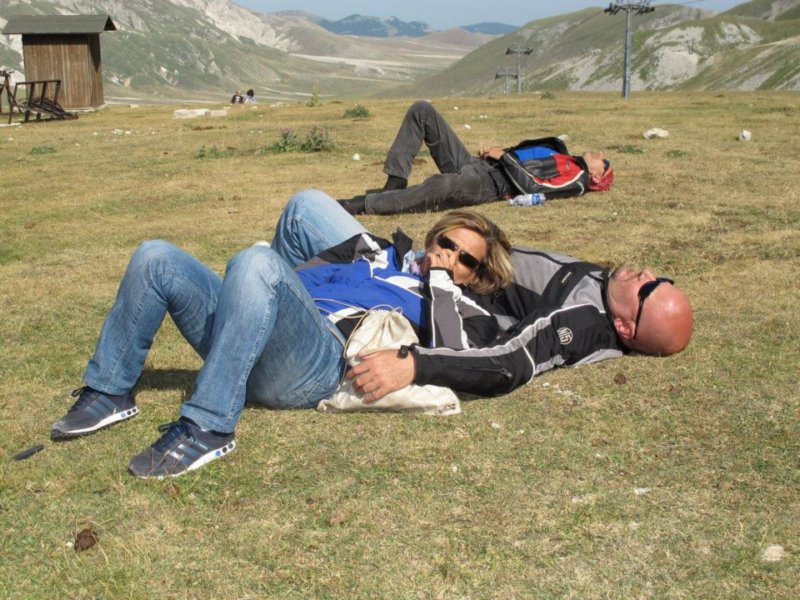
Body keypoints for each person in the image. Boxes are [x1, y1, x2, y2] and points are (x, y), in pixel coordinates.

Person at [49, 190, 513, 479]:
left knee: (258, 262)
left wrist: (440, 281)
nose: (450, 256)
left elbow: (456, 351)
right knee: (155, 256)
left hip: (316, 361)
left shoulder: (459, 305)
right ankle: (109, 389)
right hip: (261, 330)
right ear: (433, 238)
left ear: (476, 274)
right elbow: (302, 277)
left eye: (466, 259)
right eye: (447, 244)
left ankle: (208, 426)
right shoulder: (378, 258)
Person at [274, 192, 692, 402]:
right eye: (660, 278)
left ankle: (272, 324)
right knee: (304, 207)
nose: (647, 274)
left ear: (624, 327)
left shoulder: (581, 323)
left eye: (648, 288)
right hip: (410, 262)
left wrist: (416, 364)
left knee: (269, 267)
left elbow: (509, 361)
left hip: (441, 291)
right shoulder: (608, 287)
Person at [338, 100, 614, 215]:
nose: (600, 154)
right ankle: (395, 183)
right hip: (480, 165)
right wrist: (497, 153)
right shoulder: (562, 153)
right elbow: (523, 159)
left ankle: (361, 205)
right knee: (422, 110)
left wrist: (503, 158)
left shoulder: (577, 180)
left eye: (604, 162)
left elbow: (533, 187)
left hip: (490, 185)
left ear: (597, 177)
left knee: (440, 186)